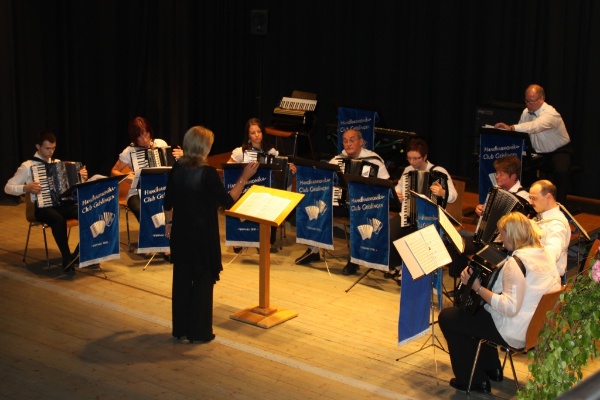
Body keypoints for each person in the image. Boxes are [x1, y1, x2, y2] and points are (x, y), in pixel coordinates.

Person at [439, 212, 561, 394]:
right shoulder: (545, 254)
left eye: (502, 234)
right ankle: (491, 369)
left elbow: (509, 307)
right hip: (536, 328)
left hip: (515, 332)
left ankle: (473, 380)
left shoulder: (516, 262)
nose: (501, 238)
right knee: (476, 312)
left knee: (450, 317)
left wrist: (477, 287)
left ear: (511, 235)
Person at [163, 125, 258, 344]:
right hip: (202, 236)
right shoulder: (207, 174)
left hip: (181, 233)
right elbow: (228, 201)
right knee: (202, 282)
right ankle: (199, 332)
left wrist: (169, 223)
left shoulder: (177, 168)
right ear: (204, 148)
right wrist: (244, 178)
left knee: (182, 280)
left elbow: (168, 201)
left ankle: (181, 329)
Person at [294, 128, 390, 275]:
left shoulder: (374, 160)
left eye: (352, 140)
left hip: (364, 207)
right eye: (345, 141)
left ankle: (354, 260)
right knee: (316, 207)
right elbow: (321, 176)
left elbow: (386, 185)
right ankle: (313, 250)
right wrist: (299, 171)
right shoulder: (338, 160)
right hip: (340, 203)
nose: (348, 144)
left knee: (361, 216)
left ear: (361, 142)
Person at [5, 130, 88, 271]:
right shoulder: (28, 166)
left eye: (53, 148)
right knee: (58, 219)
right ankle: (66, 258)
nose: (51, 152)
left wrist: (82, 177)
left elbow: (71, 187)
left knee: (88, 212)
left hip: (60, 204)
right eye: (47, 148)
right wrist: (26, 187)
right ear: (38, 146)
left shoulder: (58, 163)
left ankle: (78, 255)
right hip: (40, 207)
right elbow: (8, 187)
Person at [111, 117, 182, 259]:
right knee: (141, 209)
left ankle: (170, 241)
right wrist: (127, 176)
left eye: (146, 134)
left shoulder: (161, 144)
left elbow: (175, 167)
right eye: (139, 136)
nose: (144, 139)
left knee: (173, 203)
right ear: (134, 138)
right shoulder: (129, 151)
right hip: (137, 192)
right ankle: (159, 243)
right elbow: (114, 171)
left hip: (161, 190)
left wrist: (181, 156)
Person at [388, 137, 458, 282]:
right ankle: (399, 265)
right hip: (409, 212)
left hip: (430, 216)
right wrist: (397, 194)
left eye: (416, 158)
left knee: (413, 233)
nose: (412, 162)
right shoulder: (408, 170)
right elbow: (398, 188)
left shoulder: (438, 171)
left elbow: (454, 196)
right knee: (390, 231)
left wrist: (443, 192)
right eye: (409, 158)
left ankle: (411, 271)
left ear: (425, 157)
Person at [495, 84, 572, 205]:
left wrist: (512, 128)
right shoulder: (526, 112)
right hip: (537, 152)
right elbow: (521, 132)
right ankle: (526, 201)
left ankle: (560, 206)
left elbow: (535, 126)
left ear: (542, 99)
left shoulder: (551, 114)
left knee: (561, 171)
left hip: (559, 151)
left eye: (531, 101)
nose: (528, 104)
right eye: (526, 101)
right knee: (520, 168)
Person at [228, 118, 296, 253]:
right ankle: (241, 238)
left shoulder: (271, 152)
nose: (257, 135)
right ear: (248, 135)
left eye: (259, 131)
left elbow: (281, 167)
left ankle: (264, 240)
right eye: (253, 133)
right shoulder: (240, 152)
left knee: (273, 199)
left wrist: (290, 167)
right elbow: (228, 169)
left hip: (264, 193)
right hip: (246, 190)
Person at [528, 180, 570, 278]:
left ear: (549, 197)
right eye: (530, 198)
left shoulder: (557, 225)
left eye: (534, 198)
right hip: (538, 273)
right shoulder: (542, 216)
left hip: (547, 278)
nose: (530, 202)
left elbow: (552, 254)